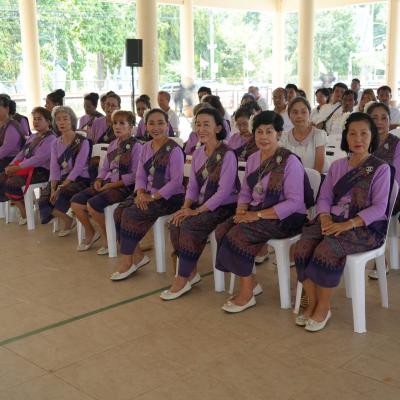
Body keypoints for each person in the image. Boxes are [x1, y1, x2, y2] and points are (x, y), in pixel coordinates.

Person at [294, 112, 392, 332]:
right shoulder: (337, 166)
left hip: (364, 228)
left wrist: (347, 224)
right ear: (346, 137)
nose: (358, 139)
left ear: (372, 136)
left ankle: (324, 307)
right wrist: (325, 217)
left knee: (326, 250)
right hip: (332, 220)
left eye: (364, 134)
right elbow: (324, 197)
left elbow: (379, 207)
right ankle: (313, 302)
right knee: (301, 248)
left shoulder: (380, 169)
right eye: (353, 134)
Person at [215, 111, 309, 313]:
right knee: (222, 230)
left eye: (269, 131)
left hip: (287, 217)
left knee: (238, 236)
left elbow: (295, 202)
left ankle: (247, 293)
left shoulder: (290, 161)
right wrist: (241, 209)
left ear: (279, 134)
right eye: (259, 132)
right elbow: (245, 191)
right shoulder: (253, 159)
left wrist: (256, 215)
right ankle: (252, 282)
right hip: (257, 211)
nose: (264, 137)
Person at [160, 108, 239, 300]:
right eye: (198, 124)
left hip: (224, 207)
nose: (201, 129)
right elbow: (193, 186)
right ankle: (191, 272)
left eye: (206, 125)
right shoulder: (197, 153)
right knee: (176, 222)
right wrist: (186, 207)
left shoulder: (228, 154)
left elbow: (224, 192)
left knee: (190, 225)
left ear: (218, 128)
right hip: (202, 204)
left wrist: (197, 211)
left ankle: (182, 278)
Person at [111, 109, 184, 280]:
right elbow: (140, 175)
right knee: (119, 211)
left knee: (131, 214)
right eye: (151, 123)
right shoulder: (145, 147)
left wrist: (152, 197)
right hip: (147, 193)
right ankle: (137, 255)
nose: (156, 127)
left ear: (167, 125)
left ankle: (127, 261)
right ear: (145, 126)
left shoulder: (174, 150)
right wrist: (140, 192)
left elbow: (176, 182)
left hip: (169, 197)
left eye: (160, 123)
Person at [71, 110, 142, 255]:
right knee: (76, 202)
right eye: (115, 123)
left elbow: (136, 175)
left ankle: (109, 237)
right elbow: (105, 168)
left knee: (93, 205)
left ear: (131, 126)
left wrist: (113, 185)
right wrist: (99, 179)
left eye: (122, 123)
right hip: (107, 183)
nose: (117, 126)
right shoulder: (113, 144)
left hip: (126, 187)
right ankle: (91, 232)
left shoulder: (137, 146)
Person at [38, 106, 91, 236]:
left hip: (81, 179)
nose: (61, 122)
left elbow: (78, 168)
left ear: (71, 120)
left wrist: (60, 187)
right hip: (63, 178)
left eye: (65, 119)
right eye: (58, 119)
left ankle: (68, 221)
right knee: (44, 199)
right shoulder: (55, 143)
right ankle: (68, 219)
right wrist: (53, 188)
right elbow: (54, 168)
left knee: (61, 194)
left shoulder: (82, 142)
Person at [0, 107, 56, 224]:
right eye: (34, 119)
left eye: (39, 119)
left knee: (11, 182)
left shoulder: (51, 138)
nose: (36, 122)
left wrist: (18, 167)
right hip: (27, 168)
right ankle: (23, 207)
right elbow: (22, 153)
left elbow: (39, 159)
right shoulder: (33, 136)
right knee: (2, 178)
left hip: (42, 171)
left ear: (48, 122)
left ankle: (24, 212)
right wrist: (11, 165)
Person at [367, 102, 400, 279]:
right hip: (367, 191)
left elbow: (397, 178)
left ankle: (380, 259)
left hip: (393, 192)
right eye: (374, 118)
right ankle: (378, 259)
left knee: (375, 207)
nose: (379, 122)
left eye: (384, 118)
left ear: (389, 121)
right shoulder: (363, 141)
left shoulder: (396, 144)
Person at [280, 98, 327, 173]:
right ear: (289, 115)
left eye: (303, 112)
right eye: (295, 112)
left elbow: (318, 170)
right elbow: (281, 166)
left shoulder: (319, 135)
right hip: (290, 178)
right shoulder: (284, 137)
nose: (299, 116)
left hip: (314, 179)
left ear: (309, 113)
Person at [0, 95, 26, 172]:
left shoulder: (12, 126)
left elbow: (5, 149)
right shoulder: (2, 124)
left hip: (9, 162)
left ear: (7, 109)